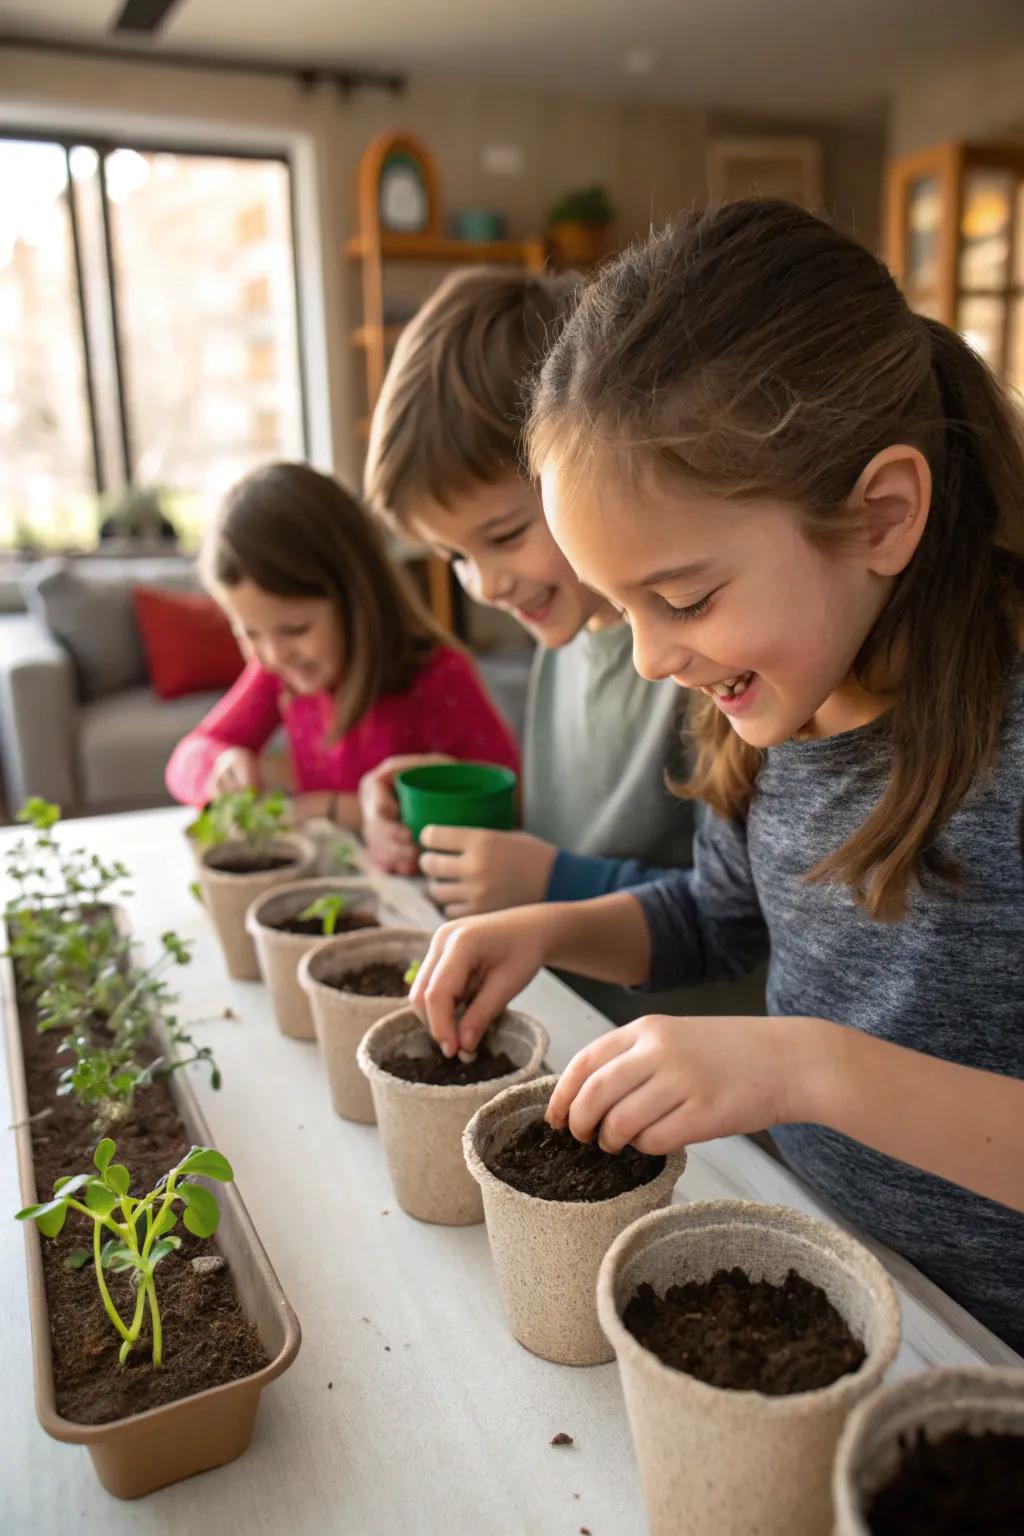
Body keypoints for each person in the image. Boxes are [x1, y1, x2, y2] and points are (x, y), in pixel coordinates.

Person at [408, 202, 1024, 1350]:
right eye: (625, 604)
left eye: (683, 600)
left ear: (881, 515)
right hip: (820, 1283)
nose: (647, 657)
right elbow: (712, 918)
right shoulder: (770, 708)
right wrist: (548, 928)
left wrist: (807, 1070)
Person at [165, 462, 518, 825]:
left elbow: (512, 802)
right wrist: (219, 767)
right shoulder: (278, 675)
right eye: (248, 633)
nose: (273, 656)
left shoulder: (440, 678)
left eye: (295, 629)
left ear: (358, 599)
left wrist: (321, 808)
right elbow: (185, 758)